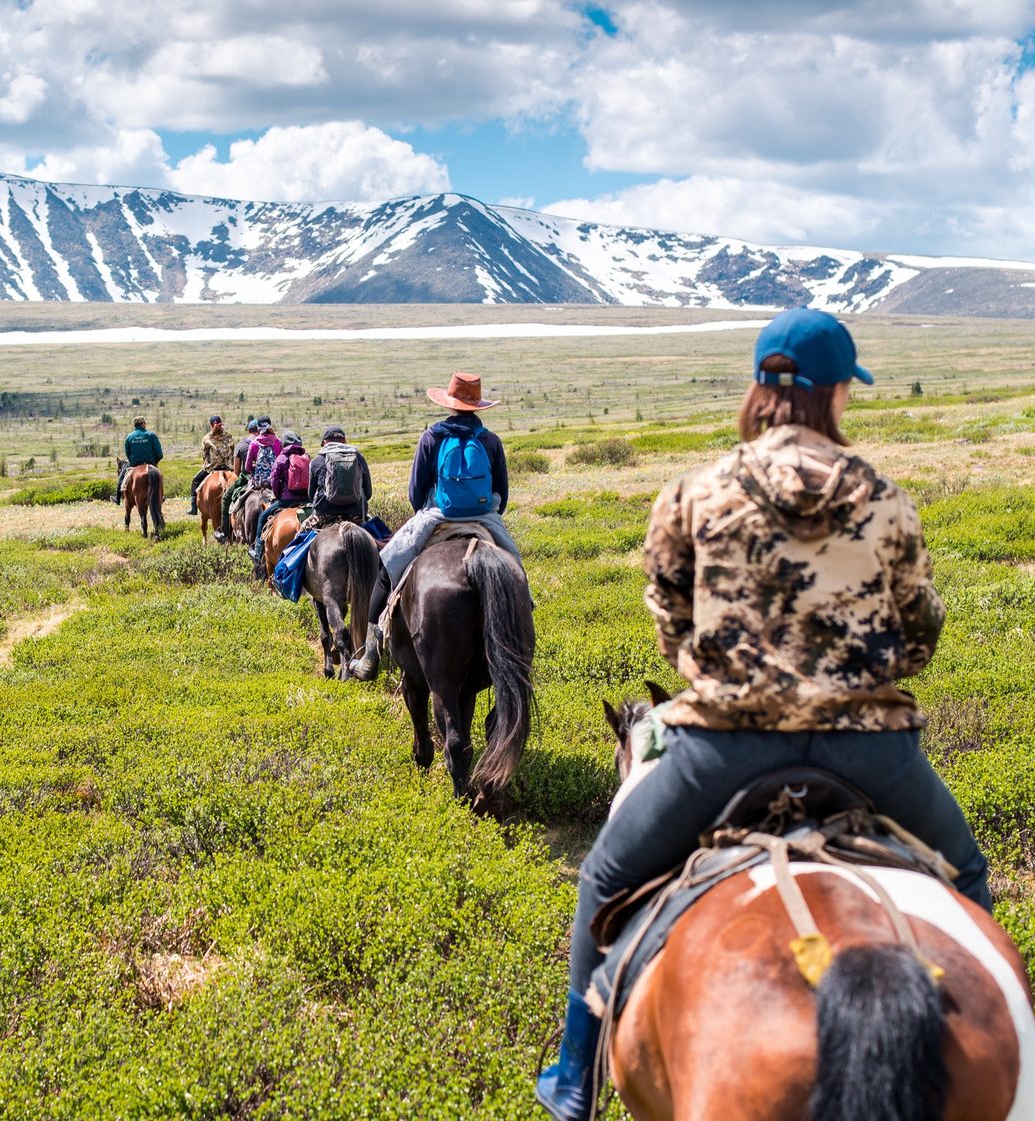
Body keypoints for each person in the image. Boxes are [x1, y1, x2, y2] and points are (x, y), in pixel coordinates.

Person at [534, 308, 991, 1121]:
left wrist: (712, 671)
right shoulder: (885, 499)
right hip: (871, 752)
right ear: (836, 393)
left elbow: (668, 611)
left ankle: (574, 1076)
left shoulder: (696, 492)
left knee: (603, 877)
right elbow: (918, 629)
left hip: (722, 751)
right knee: (969, 873)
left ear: (760, 388)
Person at [348, 373, 521, 680]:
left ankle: (370, 656)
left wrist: (429, 513)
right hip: (485, 518)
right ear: (478, 406)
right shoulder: (491, 441)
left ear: (450, 404)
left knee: (387, 570)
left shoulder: (432, 437)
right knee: (516, 572)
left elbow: (416, 493)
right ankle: (522, 622)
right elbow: (503, 494)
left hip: (437, 516)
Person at [248, 431, 310, 562]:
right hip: (307, 499)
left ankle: (258, 552)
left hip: (287, 501)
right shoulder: (306, 457)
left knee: (262, 517)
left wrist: (278, 496)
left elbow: (274, 481)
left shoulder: (281, 458)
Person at [308, 425, 373, 526]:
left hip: (326, 513)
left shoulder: (317, 460)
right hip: (355, 513)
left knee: (302, 534)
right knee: (376, 535)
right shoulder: (359, 458)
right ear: (344, 441)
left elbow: (311, 494)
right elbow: (368, 492)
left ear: (325, 441)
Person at [217, 417, 266, 541]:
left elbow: (237, 470)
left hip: (248, 479)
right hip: (268, 480)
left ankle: (225, 533)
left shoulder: (242, 445)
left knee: (227, 498)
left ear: (248, 430)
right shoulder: (269, 442)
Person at [188, 414, 235, 515]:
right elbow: (233, 451)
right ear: (221, 424)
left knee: (195, 481)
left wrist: (208, 463)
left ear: (210, 425)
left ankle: (193, 508)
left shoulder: (207, 438)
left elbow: (204, 455)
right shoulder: (228, 436)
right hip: (228, 468)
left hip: (212, 469)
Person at [115, 415, 162, 505]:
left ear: (135, 425)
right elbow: (159, 454)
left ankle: (117, 497)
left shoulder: (129, 437)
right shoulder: (151, 435)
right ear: (143, 424)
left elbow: (128, 453)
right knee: (158, 478)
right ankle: (161, 496)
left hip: (134, 464)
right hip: (150, 463)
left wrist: (132, 462)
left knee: (121, 478)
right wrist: (154, 462)